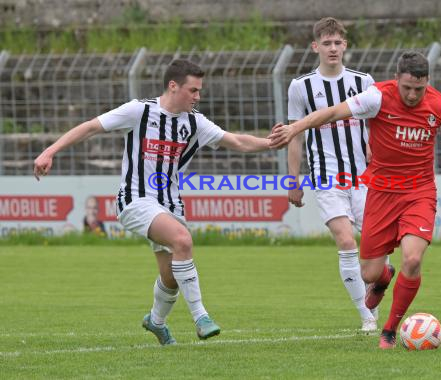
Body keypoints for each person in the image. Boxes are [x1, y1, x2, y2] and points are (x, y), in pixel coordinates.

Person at [34, 59, 275, 345]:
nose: (198, 96)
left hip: (170, 205)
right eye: (193, 90)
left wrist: (271, 142)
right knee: (183, 241)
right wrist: (50, 150)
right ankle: (201, 317)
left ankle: (156, 321)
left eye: (199, 91)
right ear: (173, 86)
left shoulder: (195, 122)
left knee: (171, 276)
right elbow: (90, 127)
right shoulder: (139, 110)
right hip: (135, 199)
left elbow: (237, 141)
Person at [270, 51, 441, 349]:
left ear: (428, 82)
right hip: (380, 193)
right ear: (397, 79)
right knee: (369, 273)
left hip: (419, 192)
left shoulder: (439, 105)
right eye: (407, 88)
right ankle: (384, 277)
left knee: (412, 259)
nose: (413, 95)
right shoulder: (377, 97)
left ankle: (389, 329)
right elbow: (332, 113)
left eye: (419, 88)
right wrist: (295, 127)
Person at [287, 17, 383, 332]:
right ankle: (366, 316)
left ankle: (378, 281)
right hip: (326, 178)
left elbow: (377, 125)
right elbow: (295, 135)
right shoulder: (301, 86)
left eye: (337, 42)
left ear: (345, 45)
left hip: (364, 179)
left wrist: (375, 150)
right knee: (345, 241)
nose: (332, 48)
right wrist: (294, 180)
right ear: (315, 47)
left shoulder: (363, 81)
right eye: (326, 43)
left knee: (374, 255)